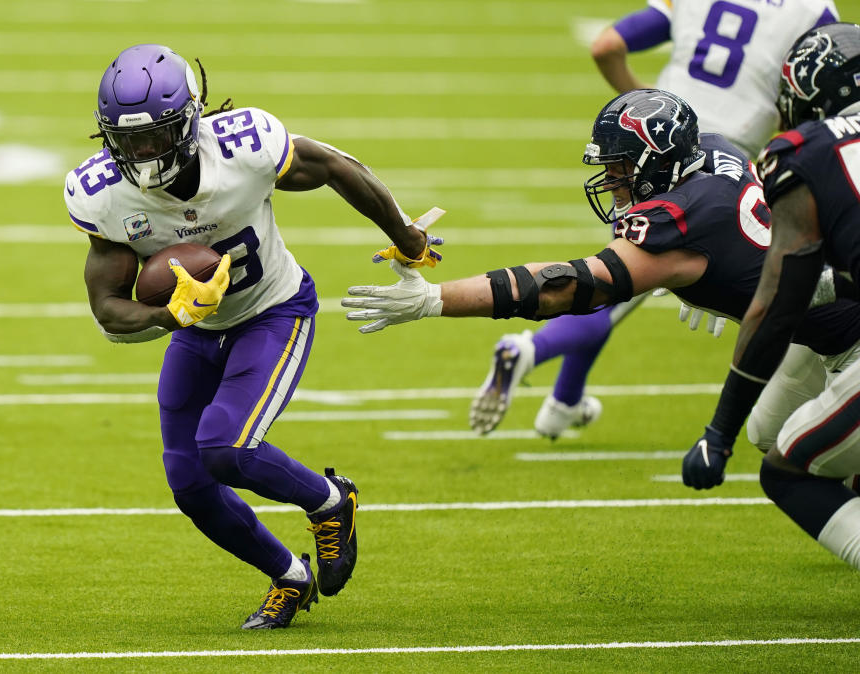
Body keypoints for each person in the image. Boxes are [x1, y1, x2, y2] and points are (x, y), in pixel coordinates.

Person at [64, 44, 440, 630]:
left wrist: (406, 235)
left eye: (156, 136)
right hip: (199, 330)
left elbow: (339, 168)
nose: (142, 153)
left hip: (273, 311)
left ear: (190, 119)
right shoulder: (103, 194)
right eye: (128, 140)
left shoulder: (245, 146)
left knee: (226, 447)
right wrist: (173, 315)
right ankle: (289, 577)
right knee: (189, 481)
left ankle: (330, 502)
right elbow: (109, 310)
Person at [342, 89, 860, 439]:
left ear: (659, 161)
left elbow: (567, 288)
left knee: (795, 459)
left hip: (846, 336)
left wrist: (435, 299)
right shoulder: (716, 149)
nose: (611, 182)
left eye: (619, 169)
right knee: (766, 432)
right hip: (813, 322)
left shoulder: (678, 219)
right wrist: (740, 268)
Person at [469, 0, 840, 441]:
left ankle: (563, 399)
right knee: (615, 279)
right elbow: (822, 93)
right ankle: (531, 351)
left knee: (613, 275)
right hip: (725, 160)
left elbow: (607, 45)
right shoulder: (812, 9)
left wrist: (640, 102)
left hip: (650, 141)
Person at [681, 23, 860, 571]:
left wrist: (718, 432)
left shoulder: (805, 153)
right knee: (775, 428)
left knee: (787, 467)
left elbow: (779, 304)